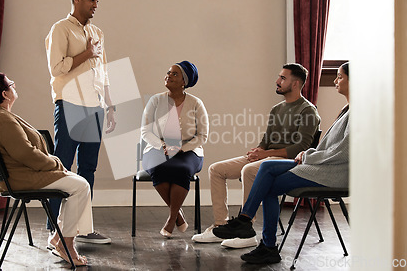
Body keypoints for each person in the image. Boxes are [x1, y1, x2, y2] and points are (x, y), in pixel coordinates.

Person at [213, 62, 350, 264]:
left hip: (332, 173)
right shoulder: (347, 109)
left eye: (339, 76)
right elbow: (326, 149)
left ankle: (262, 239)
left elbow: (343, 152)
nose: (335, 80)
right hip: (320, 166)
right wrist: (262, 152)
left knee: (267, 180)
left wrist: (307, 155)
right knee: (267, 169)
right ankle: (248, 226)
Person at [192, 63, 320, 249]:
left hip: (288, 162)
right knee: (217, 169)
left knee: (249, 170)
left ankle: (246, 232)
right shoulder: (277, 109)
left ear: (295, 84)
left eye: (283, 78)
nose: (277, 81)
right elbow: (267, 139)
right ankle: (221, 226)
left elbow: (301, 147)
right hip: (267, 156)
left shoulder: (307, 110)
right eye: (279, 77)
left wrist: (266, 154)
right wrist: (257, 151)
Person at [0, 73, 93, 266]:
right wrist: (55, 164)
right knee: (81, 186)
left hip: (21, 174)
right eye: (11, 84)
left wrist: (53, 164)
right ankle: (65, 243)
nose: (14, 86)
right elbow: (26, 154)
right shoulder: (2, 119)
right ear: (4, 94)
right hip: (22, 178)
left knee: (78, 184)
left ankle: (59, 238)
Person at [45, 0, 115, 244]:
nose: (95, 5)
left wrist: (110, 106)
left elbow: (104, 71)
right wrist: (87, 53)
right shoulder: (60, 29)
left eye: (97, 1)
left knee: (88, 168)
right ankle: (54, 228)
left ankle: (83, 228)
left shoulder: (98, 32)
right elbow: (57, 68)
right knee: (61, 166)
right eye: (91, 0)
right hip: (70, 103)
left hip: (94, 107)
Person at [141, 61, 209, 237]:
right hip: (157, 147)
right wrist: (162, 145)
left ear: (184, 82)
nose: (168, 76)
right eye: (168, 72)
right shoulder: (155, 100)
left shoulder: (196, 103)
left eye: (174, 74)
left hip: (189, 151)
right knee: (158, 168)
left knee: (182, 169)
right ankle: (177, 214)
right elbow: (145, 131)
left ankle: (171, 220)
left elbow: (203, 135)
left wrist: (182, 148)